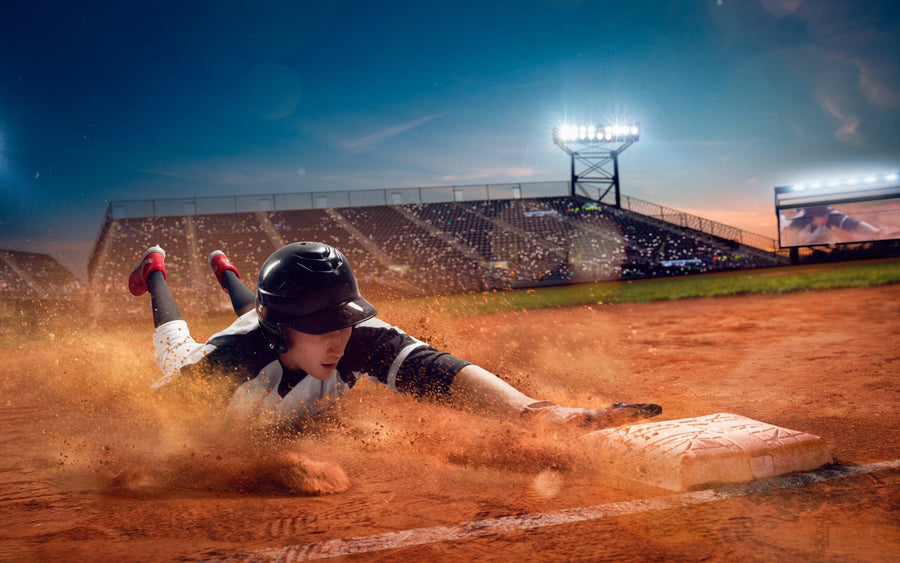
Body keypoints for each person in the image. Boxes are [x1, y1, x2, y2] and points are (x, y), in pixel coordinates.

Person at [128, 241, 661, 432]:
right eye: (319, 327)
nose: (338, 339)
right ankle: (155, 267)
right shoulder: (224, 363)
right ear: (281, 325)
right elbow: (157, 429)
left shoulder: (356, 335)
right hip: (231, 351)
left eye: (343, 320)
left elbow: (439, 371)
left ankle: (227, 270)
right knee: (174, 345)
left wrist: (536, 413)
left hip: (266, 324)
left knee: (258, 314)